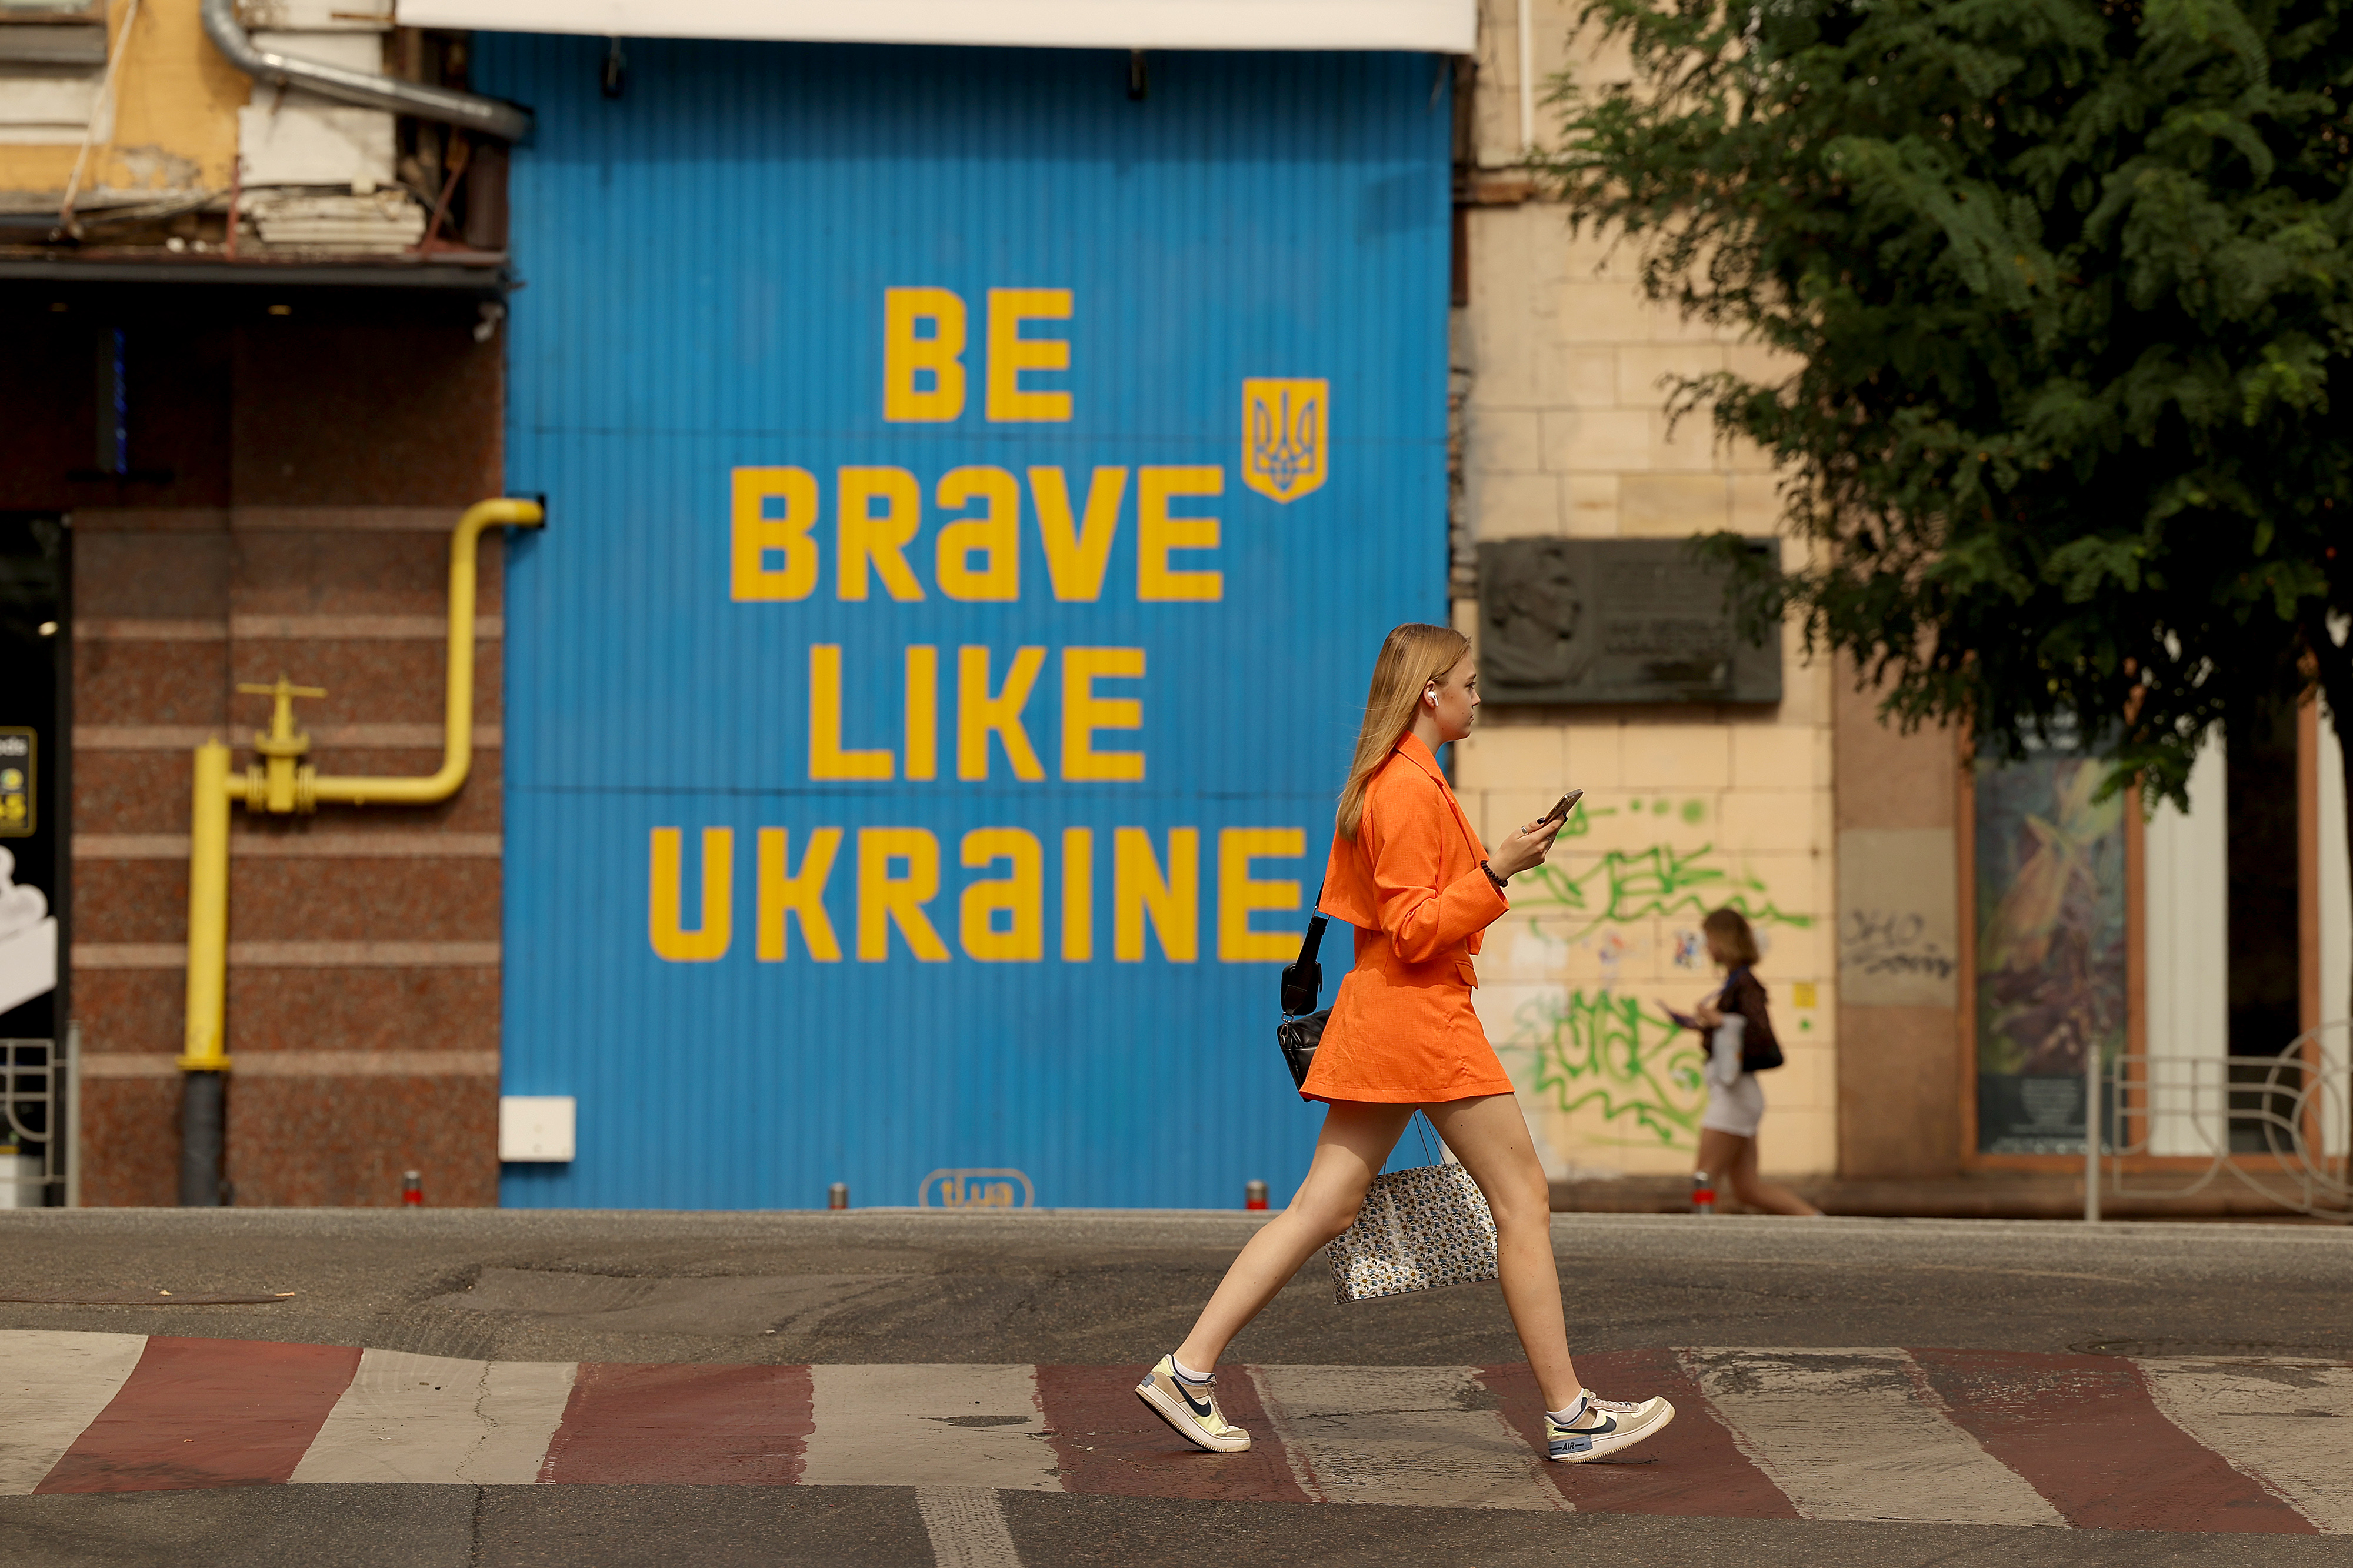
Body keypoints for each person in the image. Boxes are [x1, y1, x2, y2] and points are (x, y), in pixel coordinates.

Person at [1135, 623, 1675, 1464]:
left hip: (1387, 1019)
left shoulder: (1398, 781)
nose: (1477, 695)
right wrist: (1499, 870)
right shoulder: (1406, 790)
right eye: (1469, 681)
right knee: (1522, 1198)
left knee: (1325, 1205)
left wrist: (1498, 864)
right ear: (1433, 693)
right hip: (1420, 1019)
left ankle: (1188, 1368)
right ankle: (1571, 1413)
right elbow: (1416, 928)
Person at [1688, 908, 1822, 1217]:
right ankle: (1819, 1223)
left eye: (1709, 939)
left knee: (1704, 1176)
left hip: (1734, 1096)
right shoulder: (1737, 981)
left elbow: (1756, 1031)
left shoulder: (1745, 984)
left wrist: (1718, 1020)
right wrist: (1705, 1025)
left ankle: (1702, 1243)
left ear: (1723, 940)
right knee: (1748, 1189)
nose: (1707, 947)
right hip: (1740, 1095)